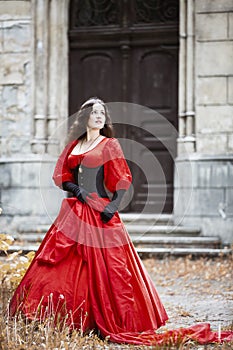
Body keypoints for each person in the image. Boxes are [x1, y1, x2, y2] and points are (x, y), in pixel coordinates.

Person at [9, 98, 233, 346]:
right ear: (84, 118)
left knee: (111, 270)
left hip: (101, 212)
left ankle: (113, 319)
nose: (98, 116)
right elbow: (62, 175)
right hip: (74, 213)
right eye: (94, 112)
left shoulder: (110, 144)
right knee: (64, 266)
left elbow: (122, 179)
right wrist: (77, 190)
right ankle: (65, 318)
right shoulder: (74, 145)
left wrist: (113, 206)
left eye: (102, 113)